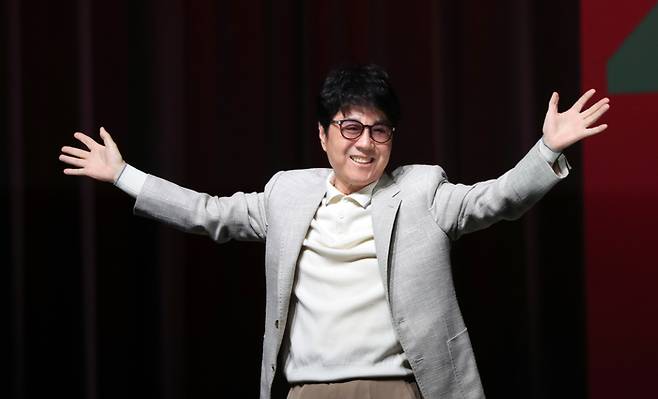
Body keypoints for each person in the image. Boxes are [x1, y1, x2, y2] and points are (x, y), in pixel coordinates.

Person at [59, 64, 610, 399]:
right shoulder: (288, 193)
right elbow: (210, 212)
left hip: (403, 388)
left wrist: (548, 151)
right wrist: (124, 175)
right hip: (308, 391)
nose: (364, 143)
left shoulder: (422, 191)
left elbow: (496, 199)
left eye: (379, 129)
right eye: (350, 127)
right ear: (324, 136)